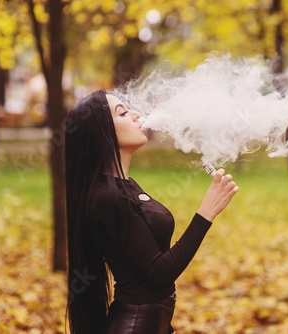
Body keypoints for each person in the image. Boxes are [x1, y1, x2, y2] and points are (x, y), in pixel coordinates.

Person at [65, 89, 239, 334]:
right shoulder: (107, 197)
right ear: (102, 133)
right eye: (123, 113)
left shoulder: (125, 186)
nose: (137, 115)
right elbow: (159, 272)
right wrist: (206, 213)